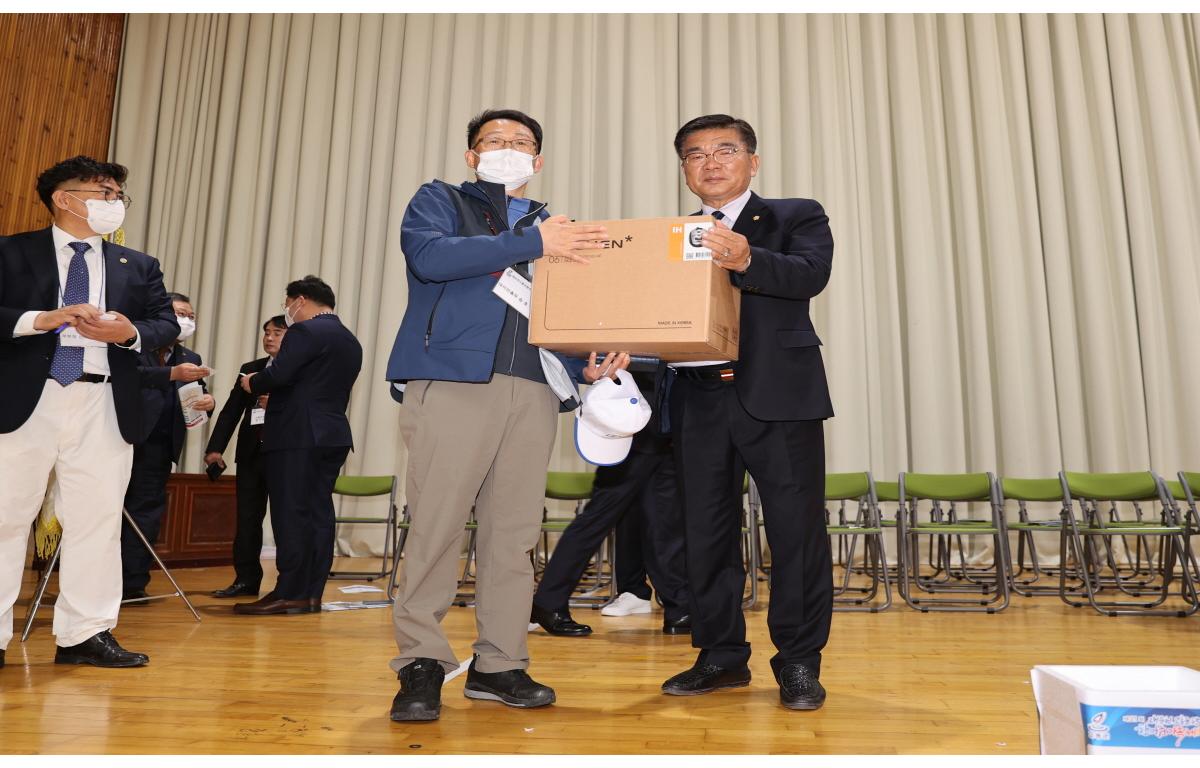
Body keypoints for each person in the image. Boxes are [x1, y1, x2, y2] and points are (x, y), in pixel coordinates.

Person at [384, 108, 626, 722]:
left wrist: (583, 368)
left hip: (535, 389)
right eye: (495, 141)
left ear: (539, 161)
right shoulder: (439, 201)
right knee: (436, 526)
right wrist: (533, 242)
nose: (508, 150)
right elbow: (432, 259)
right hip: (457, 382)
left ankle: (499, 663)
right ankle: (421, 663)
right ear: (472, 155)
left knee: (514, 537)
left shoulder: (557, 226)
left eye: (522, 143)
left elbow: (562, 314)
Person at [658, 115, 835, 711]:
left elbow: (811, 275)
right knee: (703, 532)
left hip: (778, 398)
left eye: (725, 150)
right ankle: (720, 656)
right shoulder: (669, 234)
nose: (710, 162)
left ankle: (800, 662)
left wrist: (747, 257)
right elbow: (656, 314)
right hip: (696, 397)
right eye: (694, 154)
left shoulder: (794, 215)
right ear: (684, 169)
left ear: (752, 162)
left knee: (795, 533)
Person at [0, 155, 179, 669]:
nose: (114, 202)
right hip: (25, 403)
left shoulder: (138, 265)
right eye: (103, 192)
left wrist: (131, 333)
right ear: (64, 197)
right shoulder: (12, 253)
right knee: (8, 518)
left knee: (96, 522)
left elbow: (164, 323)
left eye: (119, 194)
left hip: (103, 402)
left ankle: (84, 635)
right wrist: (44, 319)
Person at [233, 276, 361, 616]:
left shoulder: (306, 332)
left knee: (290, 512)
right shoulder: (350, 339)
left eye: (287, 305)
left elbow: (279, 375)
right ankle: (311, 593)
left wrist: (252, 382)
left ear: (300, 301)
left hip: (296, 434)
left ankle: (288, 591)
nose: (287, 312)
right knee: (318, 514)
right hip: (332, 434)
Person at [529, 368, 691, 636]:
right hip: (635, 419)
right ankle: (548, 600)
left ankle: (680, 608)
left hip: (663, 420)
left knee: (661, 520)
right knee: (599, 516)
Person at [122, 292, 215, 601]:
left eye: (190, 316)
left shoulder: (192, 358)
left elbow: (193, 399)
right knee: (108, 509)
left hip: (160, 446)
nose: (185, 321)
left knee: (146, 512)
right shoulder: (131, 342)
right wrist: (170, 374)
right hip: (121, 438)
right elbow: (128, 378)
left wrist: (208, 404)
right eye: (178, 313)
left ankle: (133, 583)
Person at [203, 315, 288, 598]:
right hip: (251, 454)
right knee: (247, 519)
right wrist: (215, 448)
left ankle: (286, 583)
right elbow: (231, 411)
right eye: (266, 332)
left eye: (277, 332)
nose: (269, 338)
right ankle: (245, 579)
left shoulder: (297, 369)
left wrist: (277, 403)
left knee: (283, 519)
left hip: (283, 454)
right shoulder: (250, 369)